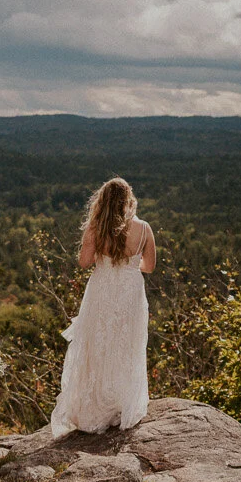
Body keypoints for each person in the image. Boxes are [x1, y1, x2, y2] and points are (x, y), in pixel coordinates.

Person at [50, 177, 155, 439]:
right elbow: (150, 267)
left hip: (102, 290)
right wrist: (129, 268)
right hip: (131, 293)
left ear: (103, 201)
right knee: (127, 344)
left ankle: (96, 407)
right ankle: (122, 404)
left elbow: (84, 262)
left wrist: (106, 261)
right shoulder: (144, 229)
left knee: (97, 345)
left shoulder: (96, 228)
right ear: (129, 200)